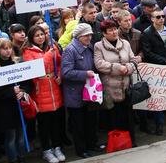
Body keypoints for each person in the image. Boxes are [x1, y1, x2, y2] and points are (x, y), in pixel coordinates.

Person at [22, 25, 65, 163]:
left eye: (42, 34)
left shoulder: (51, 47)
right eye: (37, 35)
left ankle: (57, 146)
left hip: (54, 88)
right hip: (40, 90)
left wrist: (59, 75)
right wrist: (48, 55)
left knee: (56, 122)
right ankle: (47, 150)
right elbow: (35, 69)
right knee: (44, 124)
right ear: (31, 38)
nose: (41, 37)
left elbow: (59, 63)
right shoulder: (28, 52)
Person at [94, 20, 139, 146]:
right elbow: (99, 64)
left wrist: (129, 68)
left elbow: (133, 59)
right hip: (110, 88)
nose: (114, 32)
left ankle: (131, 141)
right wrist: (118, 68)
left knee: (128, 116)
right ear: (104, 33)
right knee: (114, 117)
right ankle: (118, 143)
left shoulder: (125, 43)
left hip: (126, 86)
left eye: (115, 29)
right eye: (110, 30)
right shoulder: (99, 46)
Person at [61, 23, 99, 159]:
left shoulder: (88, 47)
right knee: (78, 124)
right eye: (86, 35)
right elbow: (65, 72)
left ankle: (92, 144)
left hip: (89, 90)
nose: (89, 37)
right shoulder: (70, 50)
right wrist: (85, 74)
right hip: (75, 93)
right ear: (78, 36)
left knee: (90, 120)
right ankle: (81, 149)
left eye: (90, 35)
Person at [0, 39, 26, 163]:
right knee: (10, 137)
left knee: (20, 135)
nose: (8, 51)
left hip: (19, 105)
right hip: (4, 108)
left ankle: (21, 156)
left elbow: (28, 82)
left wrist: (22, 91)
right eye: (5, 48)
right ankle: (13, 158)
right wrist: (11, 91)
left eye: (9, 48)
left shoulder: (18, 62)